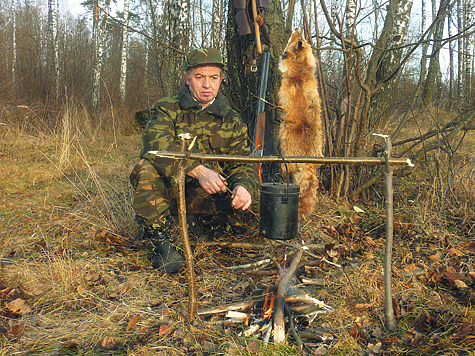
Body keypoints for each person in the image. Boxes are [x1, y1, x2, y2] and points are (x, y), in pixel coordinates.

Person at [130, 48, 259, 274]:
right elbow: (155, 148)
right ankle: (161, 243)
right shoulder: (166, 108)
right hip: (172, 193)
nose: (207, 85)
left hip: (209, 196)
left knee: (266, 206)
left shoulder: (232, 119)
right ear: (187, 78)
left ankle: (204, 226)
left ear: (221, 80)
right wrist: (198, 171)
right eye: (199, 77)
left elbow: (242, 164)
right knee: (146, 169)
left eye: (213, 78)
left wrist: (243, 187)